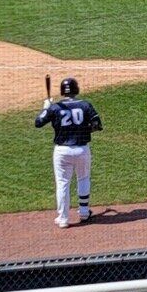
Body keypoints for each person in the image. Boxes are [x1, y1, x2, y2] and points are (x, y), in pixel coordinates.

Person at [35, 76, 102, 228]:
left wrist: (46, 107)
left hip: (61, 151)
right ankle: (84, 212)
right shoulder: (85, 105)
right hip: (82, 149)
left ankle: (63, 218)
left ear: (62, 91)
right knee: (83, 178)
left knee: (62, 183)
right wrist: (83, 130)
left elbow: (38, 123)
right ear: (76, 89)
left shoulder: (55, 107)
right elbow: (97, 125)